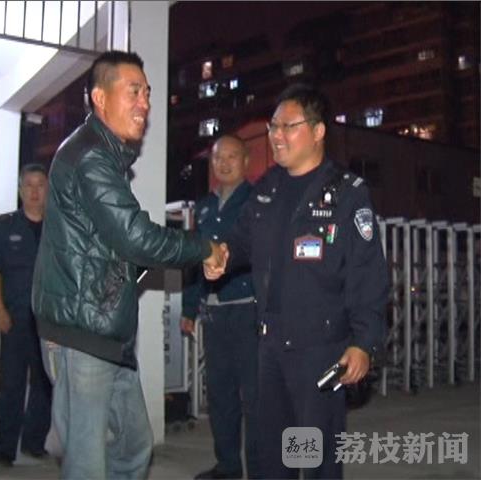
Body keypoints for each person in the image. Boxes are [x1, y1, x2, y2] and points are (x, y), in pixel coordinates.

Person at [31, 50, 227, 479]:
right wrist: (203, 248)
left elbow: (112, 243)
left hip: (103, 329)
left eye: (148, 93)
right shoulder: (90, 156)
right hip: (82, 333)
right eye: (134, 92)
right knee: (88, 461)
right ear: (100, 98)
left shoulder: (103, 156)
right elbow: (135, 237)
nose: (145, 103)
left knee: (133, 446)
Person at [205, 83, 389, 479]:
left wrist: (363, 343)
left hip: (319, 352)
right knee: (275, 456)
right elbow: (241, 242)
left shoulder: (346, 194)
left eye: (288, 126)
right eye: (273, 127)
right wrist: (220, 256)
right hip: (270, 347)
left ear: (318, 131)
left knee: (314, 457)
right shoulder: (267, 189)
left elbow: (368, 273)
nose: (277, 135)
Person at [181, 135, 259, 479]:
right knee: (220, 394)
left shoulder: (257, 201)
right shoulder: (205, 206)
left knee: (255, 396)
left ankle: (260, 469)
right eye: (217, 158)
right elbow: (195, 259)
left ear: (246, 161)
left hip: (249, 310)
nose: (224, 163)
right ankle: (228, 466)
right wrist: (189, 307)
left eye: (231, 156)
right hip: (214, 312)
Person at [0, 163, 52, 467]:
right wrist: (0, 310)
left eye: (40, 185)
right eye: (28, 185)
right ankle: (4, 448)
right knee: (11, 384)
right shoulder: (4, 226)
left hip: (50, 322)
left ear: (48, 190)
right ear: (20, 190)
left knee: (46, 384)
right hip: (16, 318)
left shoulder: (59, 228)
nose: (34, 191)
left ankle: (34, 442)